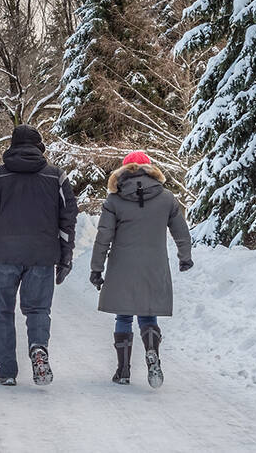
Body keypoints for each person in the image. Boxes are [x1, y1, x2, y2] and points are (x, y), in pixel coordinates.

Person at [0, 125, 78, 387]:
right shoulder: (56, 177)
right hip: (43, 257)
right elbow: (67, 221)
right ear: (39, 147)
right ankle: (38, 349)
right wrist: (66, 256)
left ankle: (7, 371)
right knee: (37, 310)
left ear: (12, 146)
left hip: (5, 256)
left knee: (2, 311)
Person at [89, 151, 193, 388]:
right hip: (154, 265)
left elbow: (103, 236)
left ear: (123, 171)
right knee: (148, 313)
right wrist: (184, 257)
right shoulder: (166, 197)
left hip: (122, 266)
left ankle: (123, 371)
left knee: (123, 315)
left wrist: (96, 268)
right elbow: (181, 231)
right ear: (150, 169)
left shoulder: (114, 200)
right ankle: (152, 353)